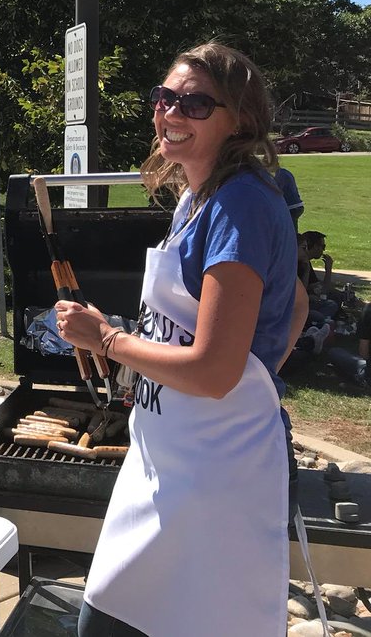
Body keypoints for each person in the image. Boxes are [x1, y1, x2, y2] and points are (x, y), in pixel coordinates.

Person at [54, 43, 300, 636]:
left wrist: (108, 339)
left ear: (238, 119)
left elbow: (215, 372)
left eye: (194, 103)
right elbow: (296, 301)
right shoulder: (200, 195)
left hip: (215, 481)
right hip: (168, 459)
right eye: (165, 99)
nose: (170, 113)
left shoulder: (240, 203)